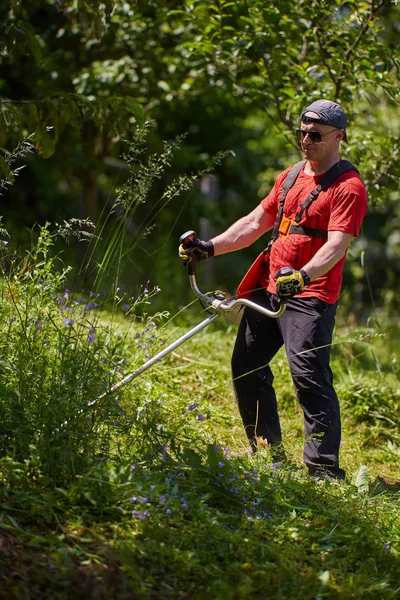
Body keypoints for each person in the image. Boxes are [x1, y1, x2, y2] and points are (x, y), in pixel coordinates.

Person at [179, 100, 368, 481]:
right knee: (246, 366)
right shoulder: (291, 176)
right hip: (269, 287)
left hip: (310, 295)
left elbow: (336, 245)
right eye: (302, 132)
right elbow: (255, 222)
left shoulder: (349, 187)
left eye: (315, 134)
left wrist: (303, 275)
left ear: (339, 136)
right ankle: (268, 454)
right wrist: (210, 247)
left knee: (309, 377)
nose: (306, 140)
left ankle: (323, 470)